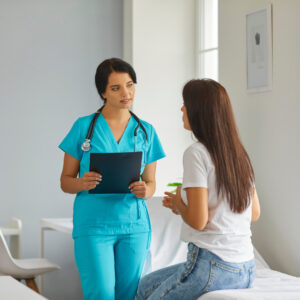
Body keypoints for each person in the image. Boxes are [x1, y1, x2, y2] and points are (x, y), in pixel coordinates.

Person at [136, 79, 261, 300]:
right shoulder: (239, 154)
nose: (182, 109)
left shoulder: (196, 153)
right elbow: (254, 213)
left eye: (185, 103)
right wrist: (186, 206)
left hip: (212, 264)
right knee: (145, 285)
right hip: (245, 267)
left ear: (199, 111)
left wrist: (179, 204)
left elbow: (198, 221)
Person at [59, 58, 165, 300]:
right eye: (116, 88)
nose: (126, 93)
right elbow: (65, 181)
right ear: (103, 92)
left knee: (128, 295)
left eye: (130, 85)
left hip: (134, 226)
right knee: (101, 294)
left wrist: (145, 190)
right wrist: (81, 182)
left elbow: (151, 183)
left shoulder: (146, 131)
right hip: (94, 226)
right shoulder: (83, 127)